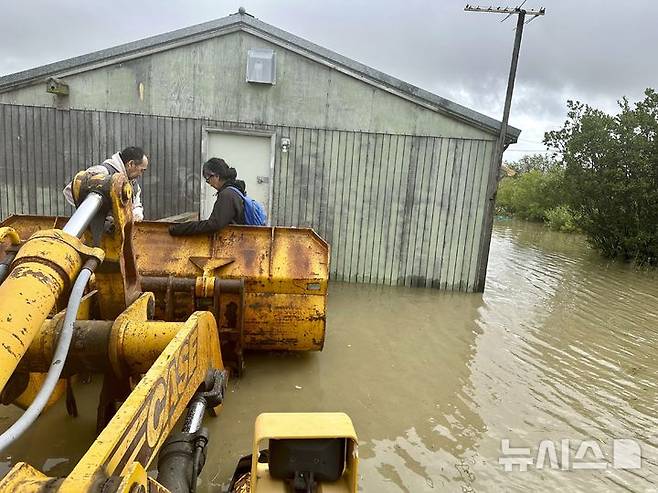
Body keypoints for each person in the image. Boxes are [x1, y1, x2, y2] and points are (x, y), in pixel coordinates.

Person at [63, 146, 149, 221]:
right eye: (141, 170)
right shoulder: (102, 172)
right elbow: (70, 190)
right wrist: (95, 211)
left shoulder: (134, 186)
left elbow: (136, 205)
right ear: (131, 164)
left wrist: (136, 213)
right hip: (96, 231)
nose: (141, 175)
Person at [169, 157, 246, 236]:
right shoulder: (235, 191)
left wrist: (180, 229)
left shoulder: (227, 195)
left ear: (216, 175)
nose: (209, 183)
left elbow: (213, 225)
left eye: (207, 178)